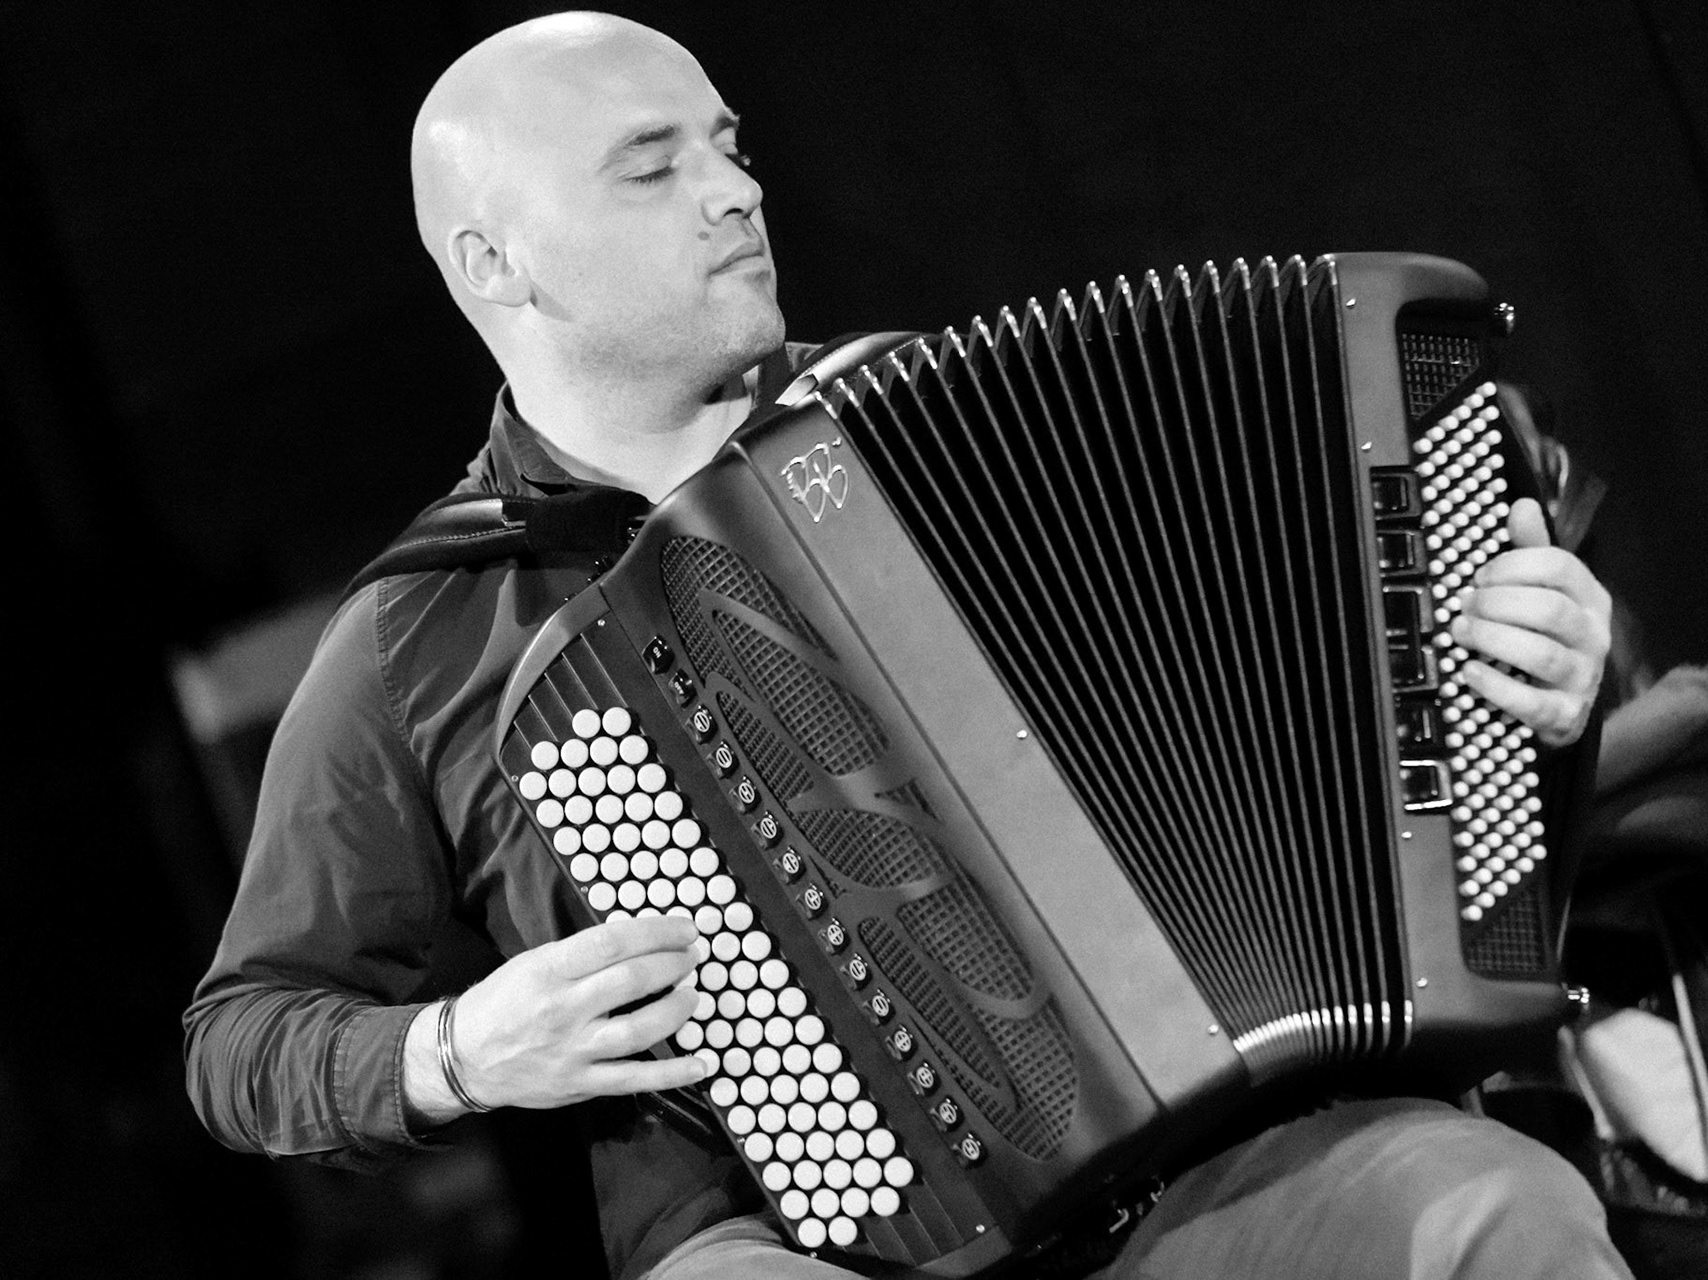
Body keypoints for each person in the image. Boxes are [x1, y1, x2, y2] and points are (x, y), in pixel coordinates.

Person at [183, 13, 1629, 1279]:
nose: (736, 192)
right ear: (498, 262)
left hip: (1218, 1151)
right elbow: (244, 1043)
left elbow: (1304, 731)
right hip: (780, 1243)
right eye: (653, 166)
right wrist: (459, 1052)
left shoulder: (950, 429)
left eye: (729, 147)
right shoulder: (416, 635)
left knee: (1496, 1211)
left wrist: (1531, 692)